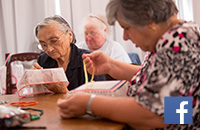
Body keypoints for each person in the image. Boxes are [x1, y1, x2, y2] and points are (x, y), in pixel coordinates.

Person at [57, 0, 200, 129]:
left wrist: (89, 103)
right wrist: (111, 65)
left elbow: (158, 115)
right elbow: (160, 78)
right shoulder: (175, 34)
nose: (125, 36)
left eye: (127, 28)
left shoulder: (177, 44)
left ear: (148, 19)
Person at [32, 15, 106, 93]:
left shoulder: (89, 61)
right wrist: (34, 82)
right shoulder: (43, 60)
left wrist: (63, 91)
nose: (49, 49)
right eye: (44, 45)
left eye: (54, 41)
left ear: (70, 35)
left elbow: (96, 101)